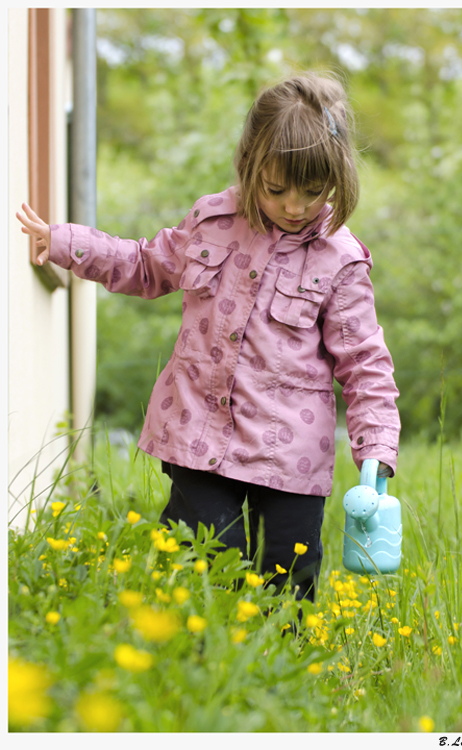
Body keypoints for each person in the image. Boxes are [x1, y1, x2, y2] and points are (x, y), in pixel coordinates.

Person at [17, 73, 400, 603]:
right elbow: (146, 265)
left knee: (286, 582)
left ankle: (278, 675)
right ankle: (194, 663)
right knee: (205, 564)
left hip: (287, 456)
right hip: (198, 434)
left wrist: (375, 447)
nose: (295, 206)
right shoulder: (212, 221)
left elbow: (365, 364)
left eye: (313, 192)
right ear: (250, 162)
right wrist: (67, 243)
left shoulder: (341, 259)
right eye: (276, 188)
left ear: (337, 180)